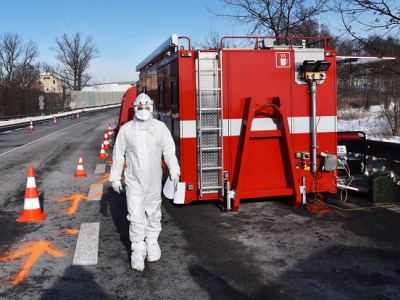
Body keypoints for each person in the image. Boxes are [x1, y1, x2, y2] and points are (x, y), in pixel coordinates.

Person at [109, 93, 180, 271]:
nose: (143, 110)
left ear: (151, 107)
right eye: (139, 107)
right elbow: (118, 154)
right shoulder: (127, 130)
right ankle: (138, 249)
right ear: (134, 108)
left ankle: (152, 242)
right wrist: (115, 177)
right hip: (134, 180)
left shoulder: (160, 128)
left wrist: (174, 170)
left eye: (146, 107)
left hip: (154, 180)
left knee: (154, 213)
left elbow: (169, 151)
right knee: (136, 215)